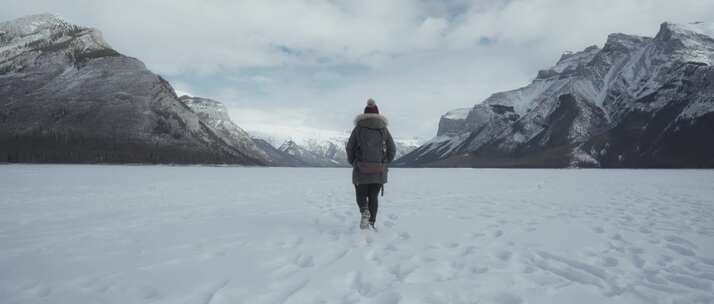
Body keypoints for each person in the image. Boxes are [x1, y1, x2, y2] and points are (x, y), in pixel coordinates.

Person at [346, 98, 396, 230]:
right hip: (379, 171)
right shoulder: (384, 130)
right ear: (378, 115)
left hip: (361, 169)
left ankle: (364, 211)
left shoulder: (358, 129)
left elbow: (350, 147)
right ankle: (372, 222)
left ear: (364, 115)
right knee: (373, 197)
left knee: (361, 194)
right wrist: (385, 163)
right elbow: (392, 149)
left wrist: (353, 162)